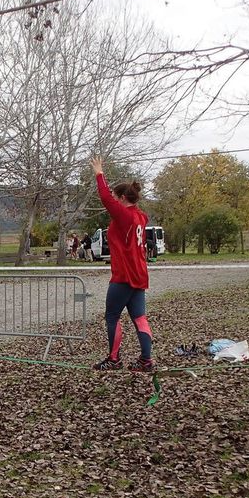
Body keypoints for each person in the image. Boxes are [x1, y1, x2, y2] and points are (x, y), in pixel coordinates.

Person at [90, 156, 154, 372]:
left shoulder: (126, 216)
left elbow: (106, 198)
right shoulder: (141, 216)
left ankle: (114, 359)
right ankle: (146, 360)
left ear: (124, 198)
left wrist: (99, 174)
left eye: (118, 198)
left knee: (112, 316)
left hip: (124, 276)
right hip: (139, 275)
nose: (115, 202)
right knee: (139, 317)